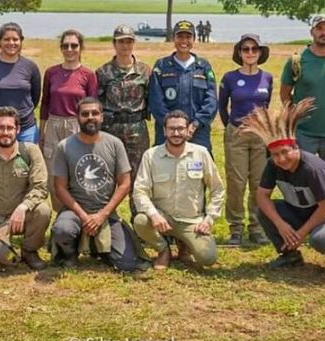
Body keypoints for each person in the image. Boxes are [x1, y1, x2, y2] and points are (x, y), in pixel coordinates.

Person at [244, 99, 325, 278]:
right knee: (264, 211)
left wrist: (301, 233)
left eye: (285, 152)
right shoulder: (273, 165)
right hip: (301, 212)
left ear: (296, 148)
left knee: (320, 238)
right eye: (275, 155)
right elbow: (262, 196)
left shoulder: (312, 168)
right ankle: (290, 256)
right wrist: (281, 225)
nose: (281, 159)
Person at [50, 98, 148, 272]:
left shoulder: (115, 144)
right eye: (85, 114)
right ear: (77, 117)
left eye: (95, 113)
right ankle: (69, 253)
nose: (90, 117)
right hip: (74, 211)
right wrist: (84, 216)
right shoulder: (64, 146)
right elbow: (60, 187)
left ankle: (98, 247)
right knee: (63, 230)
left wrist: (103, 215)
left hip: (105, 212)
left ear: (102, 117)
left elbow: (125, 184)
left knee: (126, 264)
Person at [133, 111, 224, 269]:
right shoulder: (151, 155)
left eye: (181, 129)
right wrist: (154, 215)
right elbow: (140, 190)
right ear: (164, 131)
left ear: (188, 129)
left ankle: (184, 247)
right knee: (140, 221)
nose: (176, 133)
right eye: (172, 129)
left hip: (191, 221)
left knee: (207, 258)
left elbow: (218, 189)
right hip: (163, 218)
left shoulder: (201, 153)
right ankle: (163, 250)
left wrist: (209, 219)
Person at [0, 107, 50, 273]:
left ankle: (29, 250)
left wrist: (23, 206)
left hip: (22, 215)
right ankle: (2, 248)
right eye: (0, 128)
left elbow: (40, 186)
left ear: (18, 129)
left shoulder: (30, 151)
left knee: (43, 210)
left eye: (10, 128)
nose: (5, 132)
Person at [218, 34, 272, 246]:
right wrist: (232, 127)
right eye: (246, 49)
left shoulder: (267, 78)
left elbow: (266, 106)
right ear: (239, 53)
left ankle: (257, 227)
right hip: (237, 134)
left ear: (260, 52)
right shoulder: (230, 78)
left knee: (259, 183)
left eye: (254, 49)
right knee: (236, 183)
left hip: (260, 135)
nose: (250, 53)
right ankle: (236, 228)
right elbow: (222, 107)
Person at [280, 15, 325, 175]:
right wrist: (296, 116)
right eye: (319, 28)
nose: (323, 32)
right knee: (302, 176)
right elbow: (285, 94)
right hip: (303, 132)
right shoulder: (297, 61)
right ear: (312, 32)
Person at [96, 24, 151, 213]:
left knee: (138, 177)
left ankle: (140, 222)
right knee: (109, 176)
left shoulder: (145, 71)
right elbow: (97, 102)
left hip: (137, 130)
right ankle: (108, 220)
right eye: (121, 42)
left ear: (134, 43)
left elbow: (151, 99)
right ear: (114, 44)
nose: (125, 46)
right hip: (111, 129)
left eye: (129, 41)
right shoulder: (103, 72)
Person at [40, 30, 98, 204]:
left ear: (80, 48)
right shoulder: (51, 73)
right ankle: (60, 212)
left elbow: (93, 107)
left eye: (74, 45)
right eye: (65, 46)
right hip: (54, 124)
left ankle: (78, 212)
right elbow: (45, 103)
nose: (70, 49)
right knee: (53, 170)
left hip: (77, 125)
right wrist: (41, 130)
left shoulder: (88, 75)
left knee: (78, 169)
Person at [149, 20, 217, 153]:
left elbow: (211, 101)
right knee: (165, 169)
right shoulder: (162, 66)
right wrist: (172, 126)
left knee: (198, 171)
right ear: (173, 38)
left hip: (197, 132)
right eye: (180, 36)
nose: (184, 41)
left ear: (194, 39)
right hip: (167, 132)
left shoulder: (203, 67)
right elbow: (155, 100)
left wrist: (195, 124)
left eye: (188, 37)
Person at [0, 22, 41, 144]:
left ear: (21, 41)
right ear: (0, 41)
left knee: (25, 162)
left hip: (26, 129)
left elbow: (35, 97)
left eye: (15, 39)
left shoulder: (30, 67)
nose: (11, 43)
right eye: (7, 39)